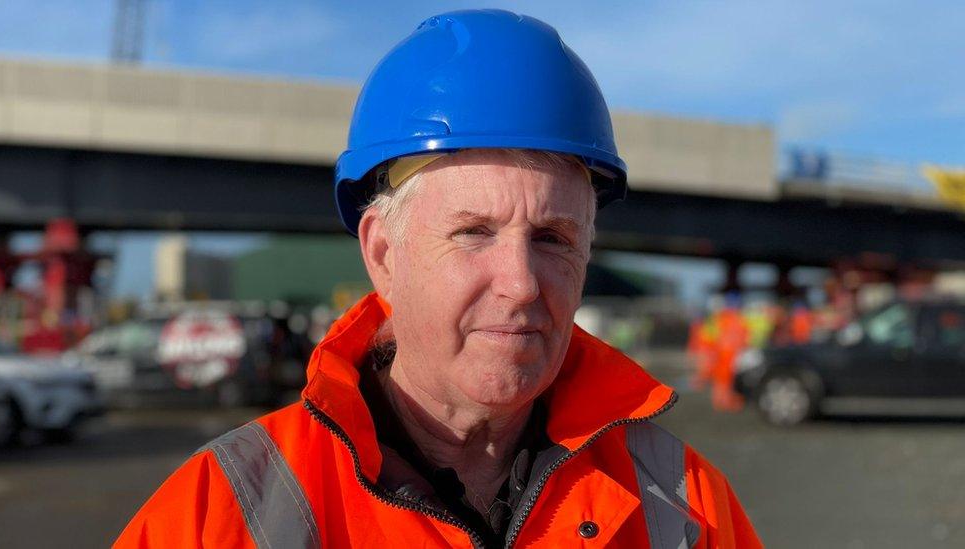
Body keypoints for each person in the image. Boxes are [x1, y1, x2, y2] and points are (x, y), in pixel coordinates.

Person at [116, 9, 761, 548]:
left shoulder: (681, 503)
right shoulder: (225, 512)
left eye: (553, 238)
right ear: (384, 254)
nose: (522, 284)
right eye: (473, 232)